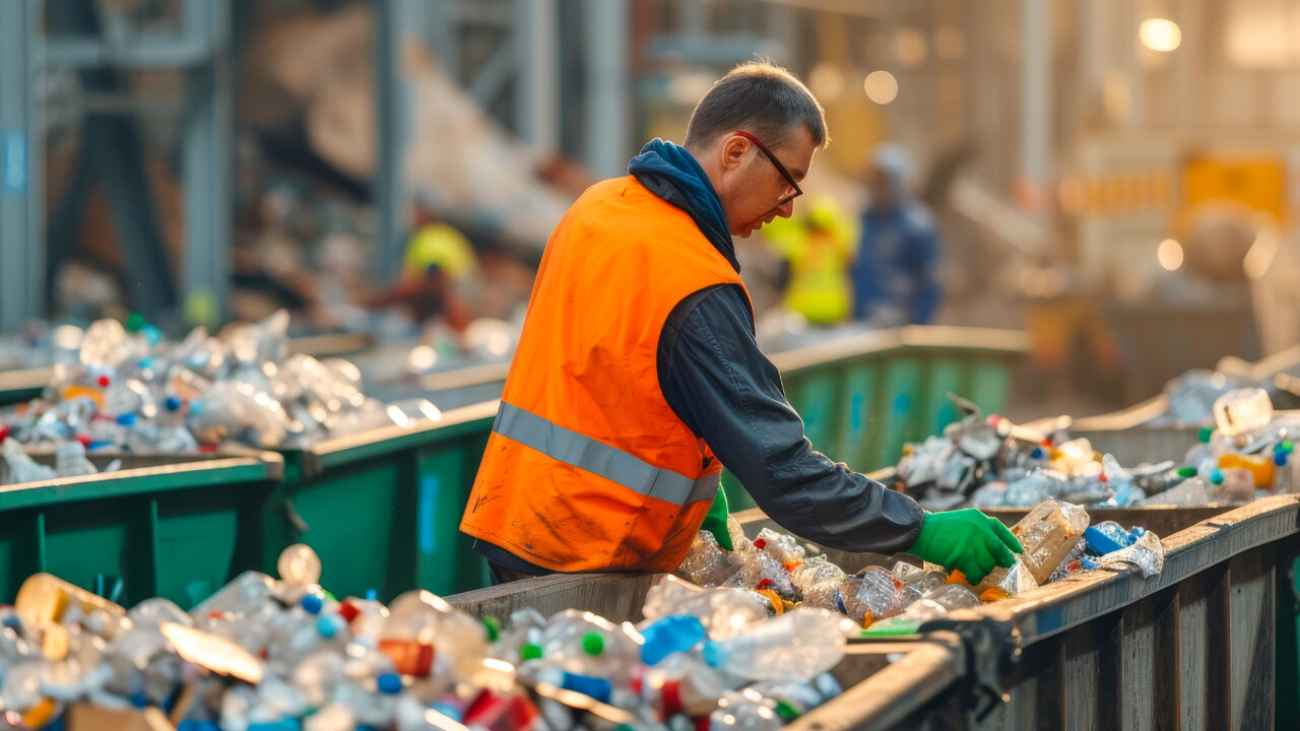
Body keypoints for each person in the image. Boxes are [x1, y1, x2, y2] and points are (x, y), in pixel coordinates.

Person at [460, 62, 1019, 585]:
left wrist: (693, 486)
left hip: (514, 523)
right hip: (586, 553)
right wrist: (921, 530)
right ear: (735, 152)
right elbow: (784, 470)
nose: (788, 209)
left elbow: (606, 370)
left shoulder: (598, 208)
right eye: (788, 182)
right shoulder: (692, 278)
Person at [851, 144, 942, 325]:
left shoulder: (918, 225)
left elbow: (930, 283)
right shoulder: (866, 219)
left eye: (882, 180)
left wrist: (919, 326)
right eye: (873, 179)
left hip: (901, 326)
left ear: (898, 181)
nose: (876, 186)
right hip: (864, 321)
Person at [763, 195, 855, 325]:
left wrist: (805, 215)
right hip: (811, 314)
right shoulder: (803, 242)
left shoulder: (809, 243)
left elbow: (773, 227)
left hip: (820, 313)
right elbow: (772, 226)